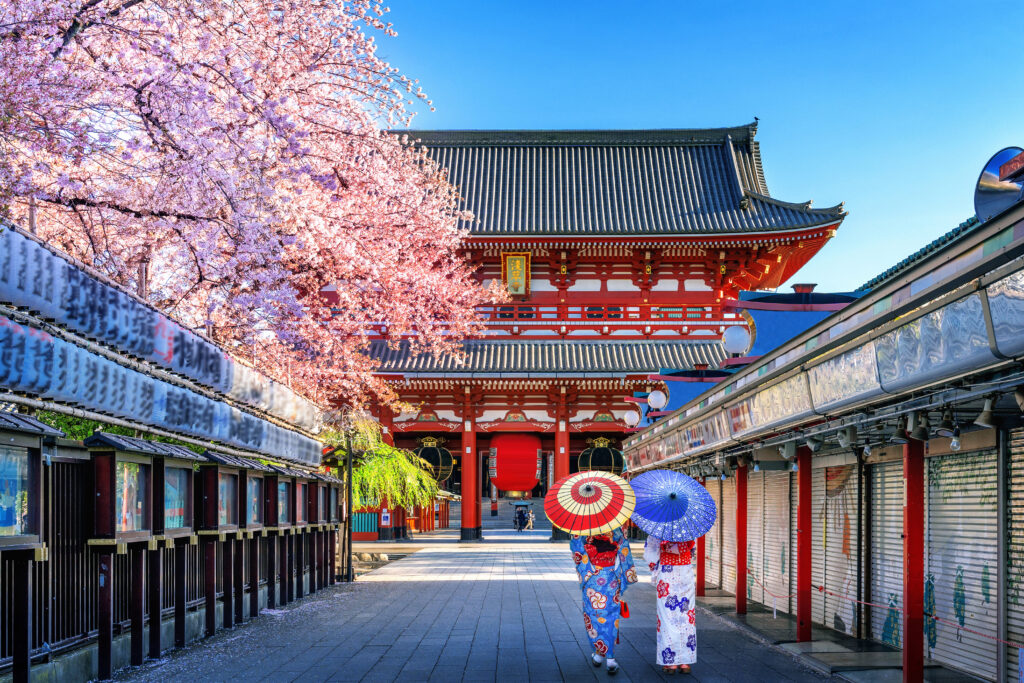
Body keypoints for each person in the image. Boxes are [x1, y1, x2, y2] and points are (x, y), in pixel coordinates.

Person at [569, 527, 638, 675]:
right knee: (611, 617)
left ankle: (599, 654)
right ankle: (610, 658)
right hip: (611, 577)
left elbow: (577, 552)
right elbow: (624, 550)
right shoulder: (616, 527)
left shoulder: (582, 528)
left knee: (593, 616)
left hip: (592, 578)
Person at [643, 536, 698, 674]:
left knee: (667, 617)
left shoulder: (660, 525)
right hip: (685, 571)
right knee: (686, 617)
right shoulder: (688, 526)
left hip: (667, 571)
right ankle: (685, 661)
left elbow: (650, 552)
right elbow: (692, 550)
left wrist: (657, 563)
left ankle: (671, 662)